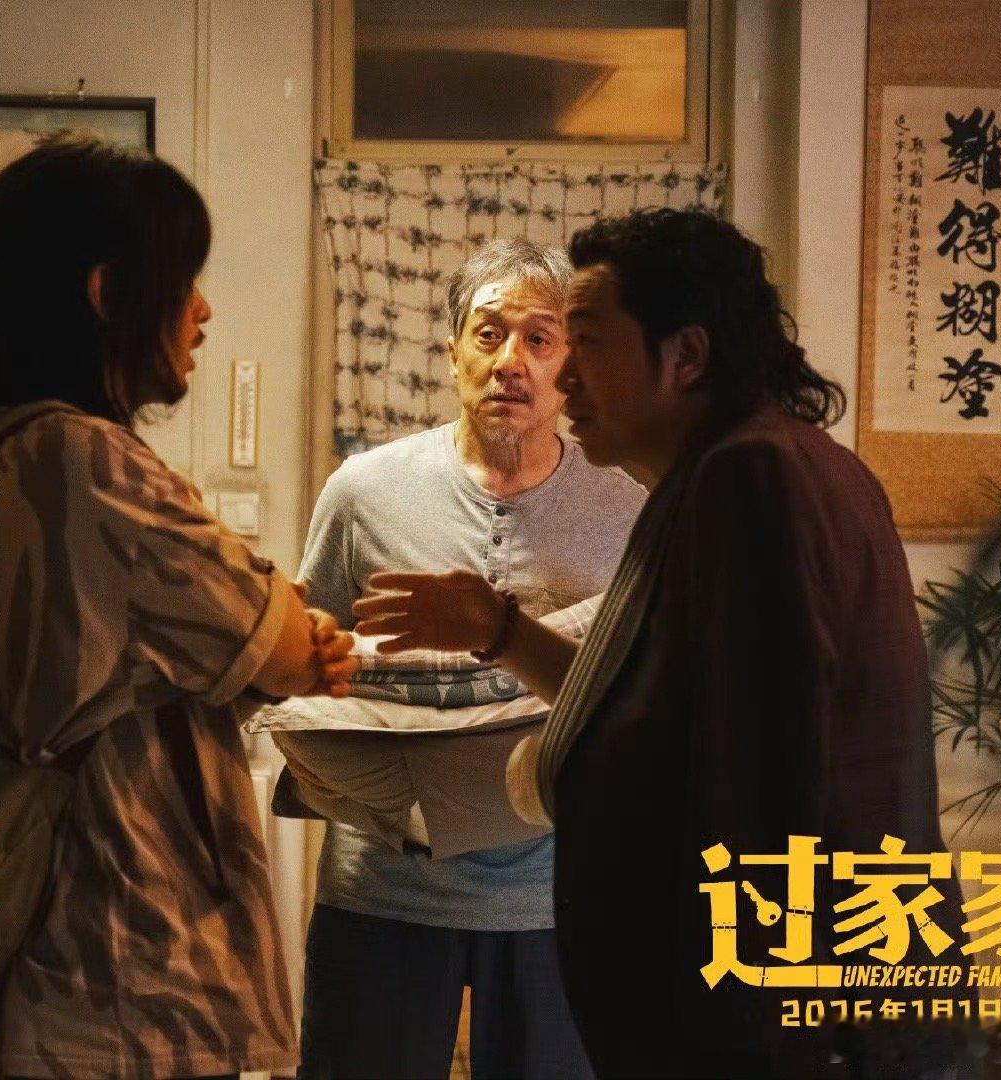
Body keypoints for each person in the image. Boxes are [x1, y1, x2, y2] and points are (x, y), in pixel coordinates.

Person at [353, 209, 965, 1077]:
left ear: (685, 357)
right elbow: (662, 703)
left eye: (586, 342)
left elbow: (766, 784)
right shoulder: (739, 470)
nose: (564, 378)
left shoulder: (750, 478)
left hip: (783, 1022)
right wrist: (498, 631)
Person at [0, 135, 357, 1080]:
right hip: (123, 973)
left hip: (54, 970)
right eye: (185, 282)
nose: (202, 310)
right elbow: (285, 649)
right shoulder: (91, 463)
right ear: (107, 294)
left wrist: (269, 630)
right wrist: (289, 633)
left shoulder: (3, 450)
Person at [295, 238, 645, 1079]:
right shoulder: (363, 492)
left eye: (539, 338)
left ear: (572, 362)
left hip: (560, 893)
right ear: (453, 352)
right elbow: (304, 669)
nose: (510, 362)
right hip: (382, 883)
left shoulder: (630, 507)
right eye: (489, 334)